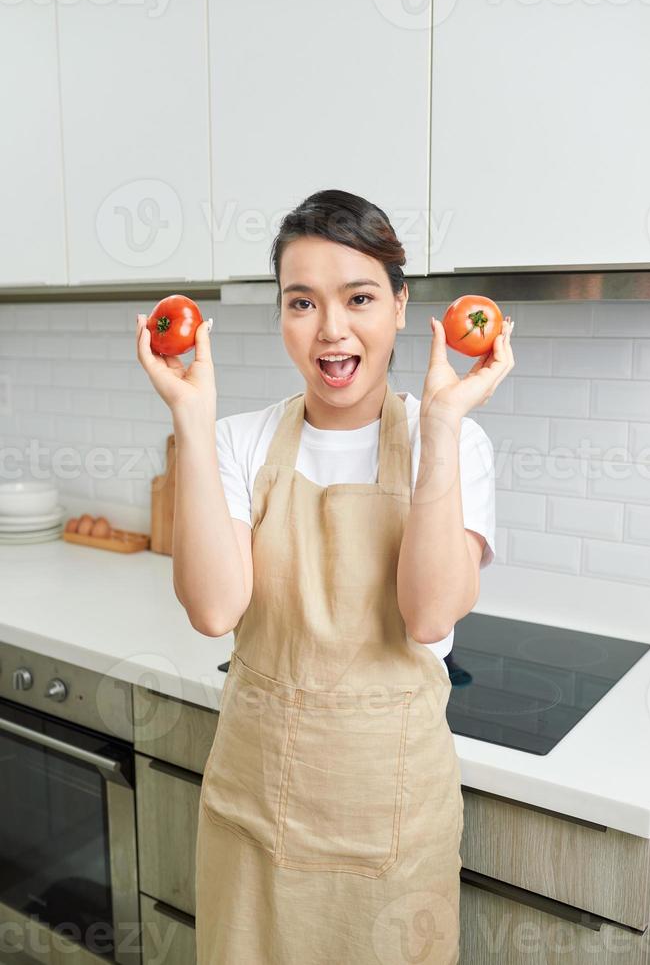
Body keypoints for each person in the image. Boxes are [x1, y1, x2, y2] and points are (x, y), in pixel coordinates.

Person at [136, 189, 514, 965]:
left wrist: (439, 431)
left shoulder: (455, 444)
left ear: (402, 307)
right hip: (253, 817)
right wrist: (191, 423)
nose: (332, 329)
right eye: (302, 302)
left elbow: (430, 614)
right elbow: (213, 610)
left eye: (360, 297)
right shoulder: (236, 441)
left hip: (393, 825)